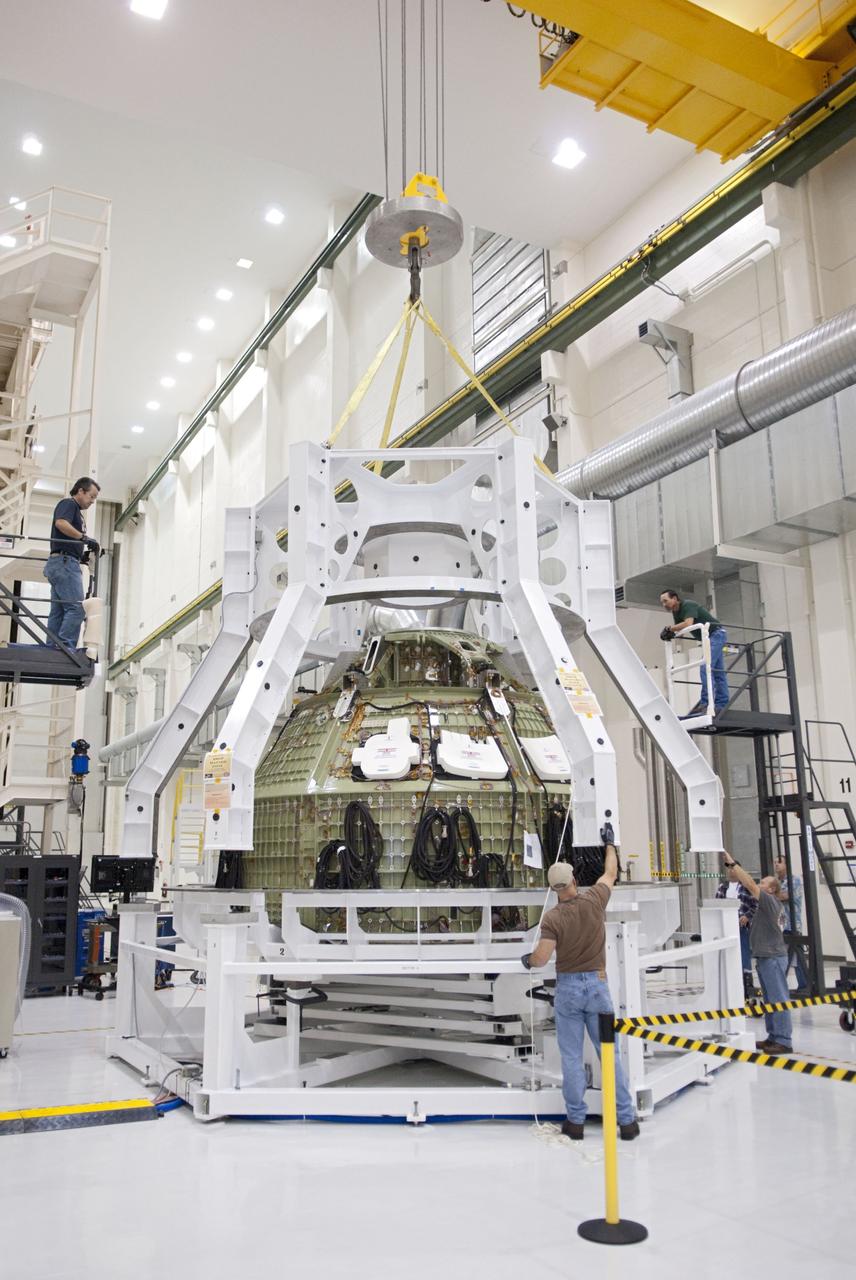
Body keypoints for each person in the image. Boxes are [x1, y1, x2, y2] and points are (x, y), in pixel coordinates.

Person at [522, 845, 639, 1141]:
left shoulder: (552, 918)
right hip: (598, 987)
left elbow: (541, 959)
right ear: (574, 881)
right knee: (609, 1055)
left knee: (572, 1058)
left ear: (553, 888)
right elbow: (610, 873)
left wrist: (527, 960)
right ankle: (626, 1121)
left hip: (569, 990)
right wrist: (611, 846)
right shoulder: (595, 900)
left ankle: (575, 1123)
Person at [722, 852, 792, 1053]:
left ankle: (784, 1040)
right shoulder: (766, 905)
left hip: (772, 957)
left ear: (771, 889)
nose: (759, 885)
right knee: (770, 999)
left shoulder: (770, 901)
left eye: (763, 882)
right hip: (765, 956)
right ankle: (773, 1036)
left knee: (778, 999)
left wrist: (733, 863)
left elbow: (750, 886)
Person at [44, 477, 100, 650]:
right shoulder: (69, 505)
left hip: (61, 561)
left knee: (59, 611)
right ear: (81, 491)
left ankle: (52, 646)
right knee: (76, 608)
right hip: (65, 563)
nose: (92, 501)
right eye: (91, 496)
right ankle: (65, 648)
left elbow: (64, 535)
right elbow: (61, 523)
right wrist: (83, 538)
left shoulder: (75, 511)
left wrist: (80, 553)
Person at [659, 588, 729, 716]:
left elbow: (688, 623)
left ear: (674, 598)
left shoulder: (687, 605)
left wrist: (669, 628)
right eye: (662, 602)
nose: (664, 604)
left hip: (716, 634)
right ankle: (721, 704)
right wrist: (670, 634)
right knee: (718, 673)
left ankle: (706, 703)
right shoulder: (676, 612)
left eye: (665, 601)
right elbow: (679, 629)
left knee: (705, 667)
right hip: (709, 638)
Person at [715, 863, 757, 998]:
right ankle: (731, 986)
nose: (731, 871)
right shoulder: (722, 887)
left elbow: (755, 905)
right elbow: (717, 904)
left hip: (741, 927)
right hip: (726, 927)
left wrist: (747, 916)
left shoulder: (746, 887)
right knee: (729, 956)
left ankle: (747, 986)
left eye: (733, 868)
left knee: (744, 956)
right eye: (729, 869)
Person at [775, 856, 809, 993]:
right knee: (789, 957)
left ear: (787, 864)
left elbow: (784, 896)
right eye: (775, 863)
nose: (776, 865)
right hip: (780, 926)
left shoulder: (794, 880)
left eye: (779, 862)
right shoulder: (776, 882)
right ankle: (801, 985)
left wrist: (769, 894)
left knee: (795, 956)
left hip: (792, 925)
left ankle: (804, 985)